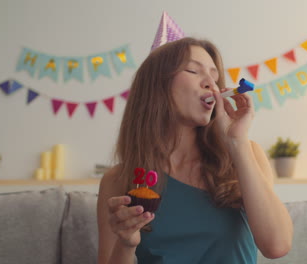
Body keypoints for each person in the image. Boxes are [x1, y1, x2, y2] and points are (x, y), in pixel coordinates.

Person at [97, 37, 293, 264]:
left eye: (215, 77)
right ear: (156, 85)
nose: (211, 83)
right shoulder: (118, 180)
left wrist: (237, 142)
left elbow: (277, 246)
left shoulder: (246, 153)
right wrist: (126, 244)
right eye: (193, 71)